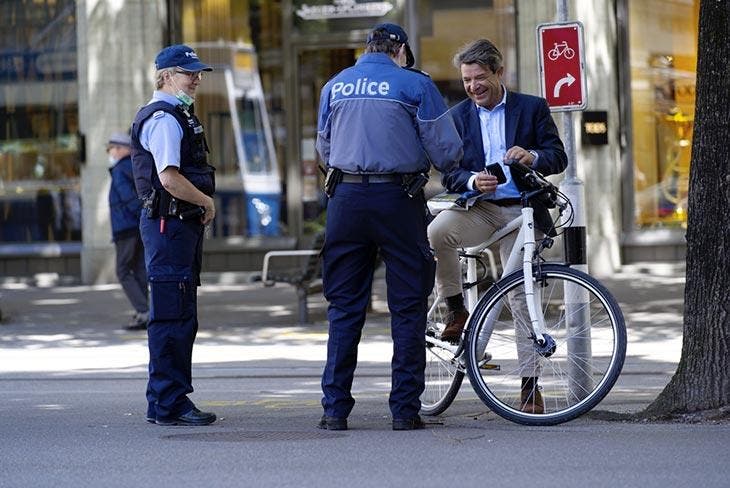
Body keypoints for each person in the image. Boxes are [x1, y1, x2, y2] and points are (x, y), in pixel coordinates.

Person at [315, 23, 462, 431]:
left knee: (344, 307)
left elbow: (324, 148)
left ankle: (334, 410)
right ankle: (404, 411)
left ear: (368, 48)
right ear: (400, 51)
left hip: (344, 200)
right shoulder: (413, 84)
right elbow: (445, 149)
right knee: (408, 306)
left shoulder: (336, 85)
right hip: (397, 200)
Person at [427, 39, 568, 414]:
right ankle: (457, 310)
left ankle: (529, 386)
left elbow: (558, 156)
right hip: (482, 208)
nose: (473, 87)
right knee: (438, 231)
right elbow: (448, 172)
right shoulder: (458, 116)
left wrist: (533, 155)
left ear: (498, 72)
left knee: (520, 293)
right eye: (467, 80)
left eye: (480, 78)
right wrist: (472, 181)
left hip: (523, 210)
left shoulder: (531, 108)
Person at [130, 44, 217, 426]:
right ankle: (170, 404)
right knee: (172, 317)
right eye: (188, 72)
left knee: (177, 314)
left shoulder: (174, 114)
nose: (196, 78)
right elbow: (169, 178)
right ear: (165, 76)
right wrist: (207, 202)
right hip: (169, 226)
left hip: (174, 228)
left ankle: (164, 401)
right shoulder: (164, 118)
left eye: (198, 72)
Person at [107, 132, 149, 330]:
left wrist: (138, 216)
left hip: (126, 227)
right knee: (139, 269)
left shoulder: (119, 170)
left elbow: (127, 198)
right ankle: (146, 313)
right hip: (138, 226)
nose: (111, 153)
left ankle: (143, 311)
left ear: (122, 148)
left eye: (112, 149)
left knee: (123, 270)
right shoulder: (135, 165)